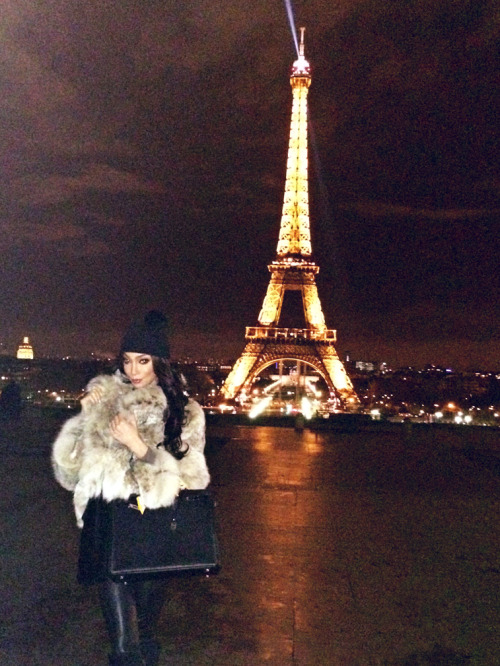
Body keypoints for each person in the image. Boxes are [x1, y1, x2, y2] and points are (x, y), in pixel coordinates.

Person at [52, 311, 210, 666]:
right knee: (124, 646)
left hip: (147, 519)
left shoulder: (184, 412)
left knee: (146, 625)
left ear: (160, 363)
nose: (134, 370)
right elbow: (70, 472)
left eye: (143, 360)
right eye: (127, 361)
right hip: (106, 518)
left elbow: (192, 478)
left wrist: (140, 447)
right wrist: (81, 422)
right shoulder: (105, 400)